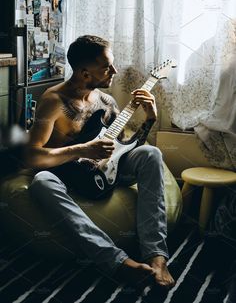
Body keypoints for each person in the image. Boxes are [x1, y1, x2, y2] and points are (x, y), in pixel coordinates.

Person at [25, 35, 175, 288]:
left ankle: (156, 255)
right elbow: (31, 156)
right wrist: (82, 149)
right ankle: (115, 261)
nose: (115, 71)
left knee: (152, 154)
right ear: (84, 73)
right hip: (64, 171)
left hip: (107, 169)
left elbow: (124, 146)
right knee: (41, 182)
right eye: (107, 67)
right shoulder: (53, 102)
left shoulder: (106, 101)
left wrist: (150, 118)